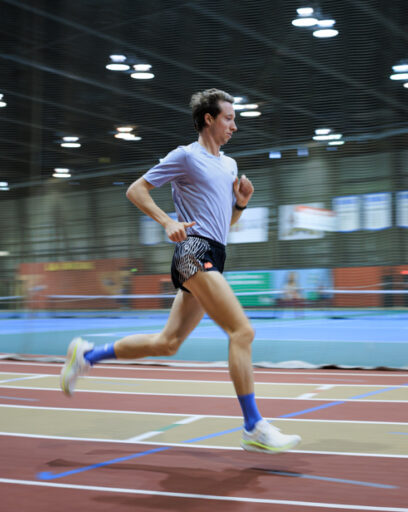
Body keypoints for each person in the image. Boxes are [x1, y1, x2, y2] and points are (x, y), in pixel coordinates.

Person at [59, 88, 301, 454]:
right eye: (229, 118)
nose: (234, 126)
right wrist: (165, 221)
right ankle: (253, 425)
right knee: (242, 331)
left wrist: (241, 204)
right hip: (192, 250)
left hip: (215, 252)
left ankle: (88, 355)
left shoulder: (230, 166)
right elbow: (136, 190)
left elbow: (226, 224)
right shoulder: (185, 157)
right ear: (209, 119)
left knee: (168, 343)